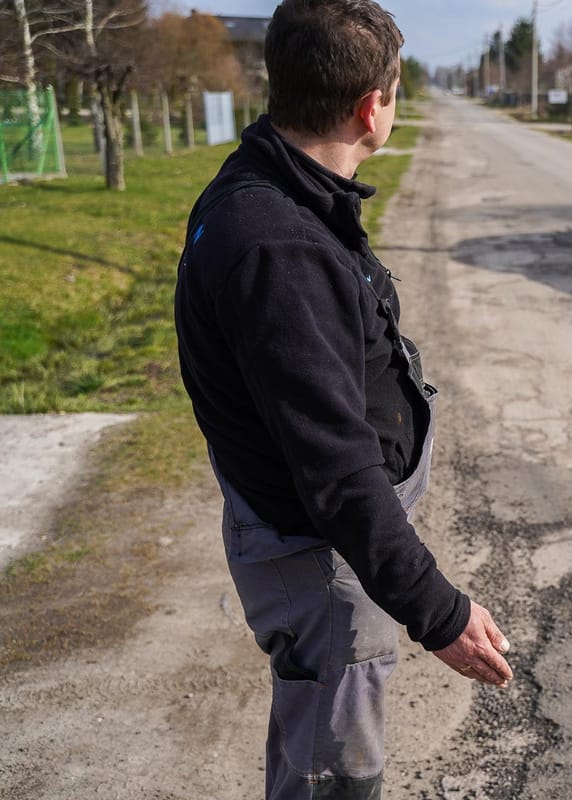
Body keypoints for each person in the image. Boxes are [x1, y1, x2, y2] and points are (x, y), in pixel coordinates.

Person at [173, 0, 513, 796]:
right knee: (334, 774)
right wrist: (441, 613)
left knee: (308, 739)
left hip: (320, 535)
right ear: (372, 108)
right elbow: (336, 472)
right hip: (319, 558)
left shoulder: (277, 186)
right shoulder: (278, 245)